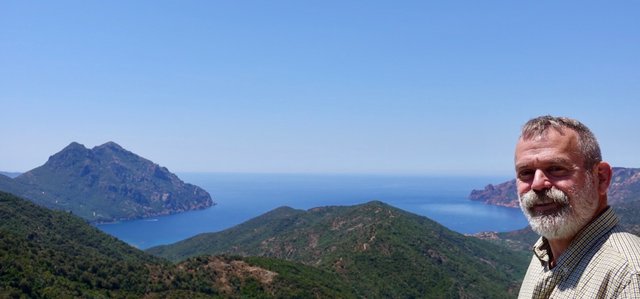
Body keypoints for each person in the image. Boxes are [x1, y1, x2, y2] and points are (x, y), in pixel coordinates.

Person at [515, 115, 640, 298]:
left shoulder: (629, 277)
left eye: (556, 168)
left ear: (601, 178)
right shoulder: (544, 254)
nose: (537, 184)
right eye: (526, 173)